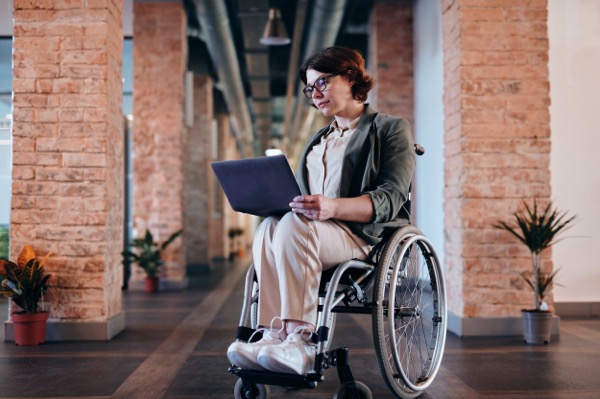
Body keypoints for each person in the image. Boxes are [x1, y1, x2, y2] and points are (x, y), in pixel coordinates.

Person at [227, 46, 416, 375]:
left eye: (322, 83)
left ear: (350, 77)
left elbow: (391, 197)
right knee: (270, 226)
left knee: (293, 226)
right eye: (309, 88)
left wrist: (331, 207)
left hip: (359, 237)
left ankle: (301, 341)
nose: (314, 94)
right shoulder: (318, 140)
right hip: (313, 234)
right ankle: (274, 334)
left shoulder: (389, 129)